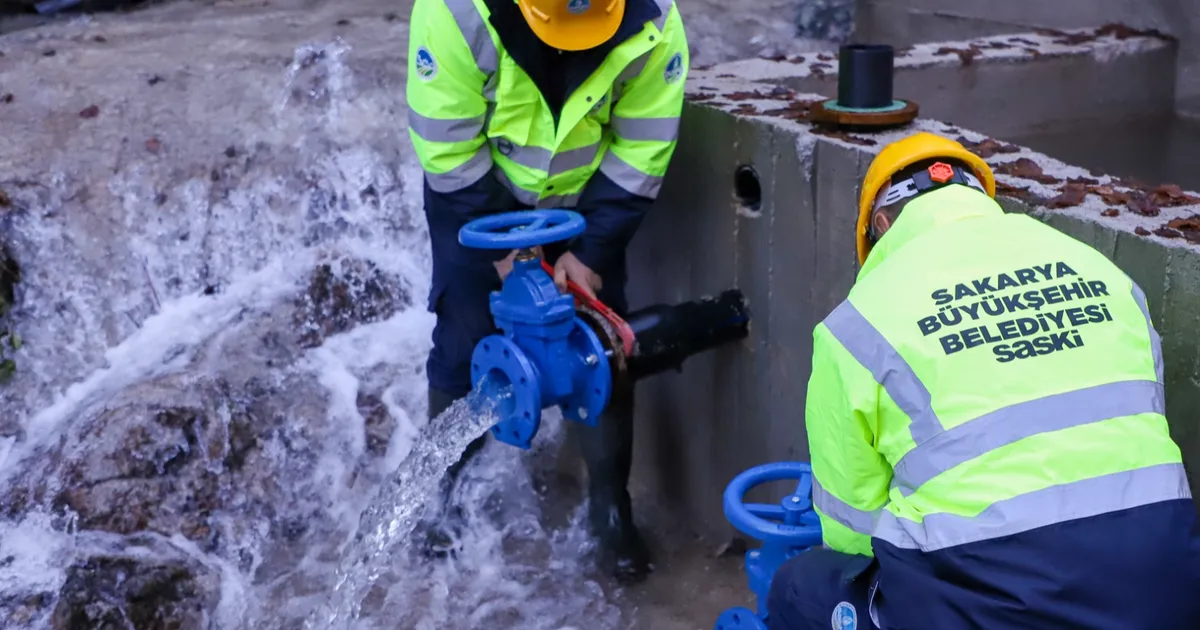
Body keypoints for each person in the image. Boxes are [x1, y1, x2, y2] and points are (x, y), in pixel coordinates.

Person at [767, 132, 1200, 629]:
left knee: (799, 589)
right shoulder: (1105, 274)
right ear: (978, 198)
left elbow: (852, 533)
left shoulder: (855, 326)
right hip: (1169, 586)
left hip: (996, 605)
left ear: (880, 223)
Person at [405, 0, 689, 583]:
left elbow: (642, 149)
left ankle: (611, 507)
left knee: (602, 346)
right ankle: (446, 498)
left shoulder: (654, 17)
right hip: (477, 197)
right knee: (464, 341)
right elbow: (449, 147)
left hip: (584, 205)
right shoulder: (453, 11)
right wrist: (506, 255)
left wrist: (591, 254)